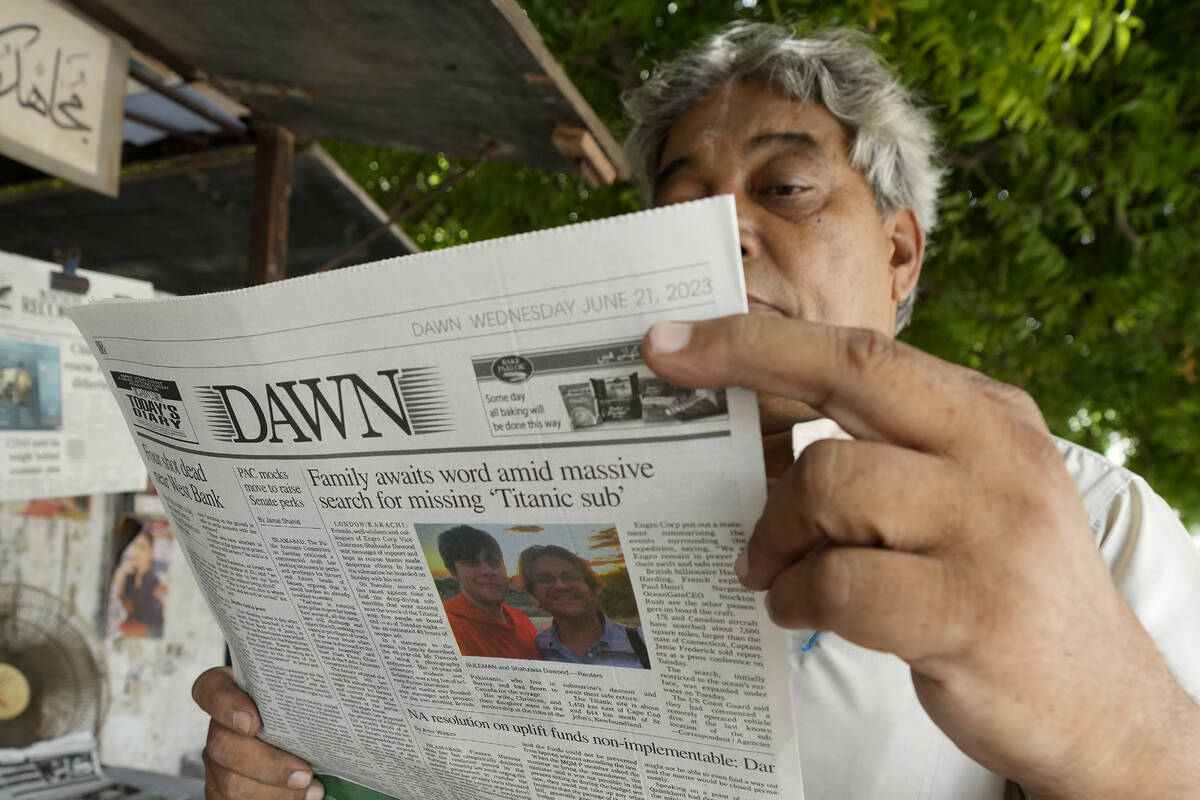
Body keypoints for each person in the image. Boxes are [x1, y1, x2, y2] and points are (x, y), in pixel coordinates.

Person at [192, 21, 1200, 800]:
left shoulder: (1087, 515)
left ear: (900, 253)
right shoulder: (544, 518)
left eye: (789, 187)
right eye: (683, 209)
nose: (723, 232)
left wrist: (1116, 733)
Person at [517, 544, 649, 669]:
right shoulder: (534, 650)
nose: (560, 586)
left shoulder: (643, 642)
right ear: (535, 596)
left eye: (569, 577)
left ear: (591, 586)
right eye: (545, 579)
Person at [436, 525, 540, 660]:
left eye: (494, 562)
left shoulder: (521, 618)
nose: (488, 571)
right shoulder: (448, 626)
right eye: (472, 563)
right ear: (453, 572)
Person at [117, 527, 165, 637]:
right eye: (134, 546)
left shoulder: (154, 583)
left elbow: (148, 619)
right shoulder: (129, 577)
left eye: (142, 548)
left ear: (151, 553)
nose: (136, 553)